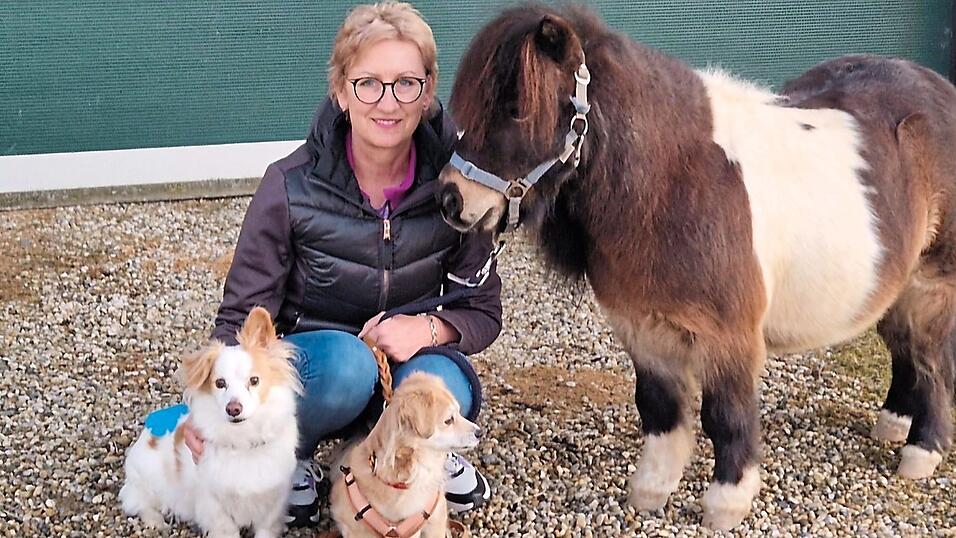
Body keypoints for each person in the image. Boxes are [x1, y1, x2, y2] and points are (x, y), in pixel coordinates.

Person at [181, 0, 502, 528]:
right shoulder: (288, 185)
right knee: (349, 364)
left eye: (407, 83)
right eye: (368, 83)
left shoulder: (459, 186)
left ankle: (422, 453)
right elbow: (242, 314)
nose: (388, 102)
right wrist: (206, 408)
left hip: (409, 362)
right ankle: (295, 454)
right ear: (341, 90)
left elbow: (483, 310)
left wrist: (427, 327)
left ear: (427, 94)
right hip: (325, 368)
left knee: (441, 379)